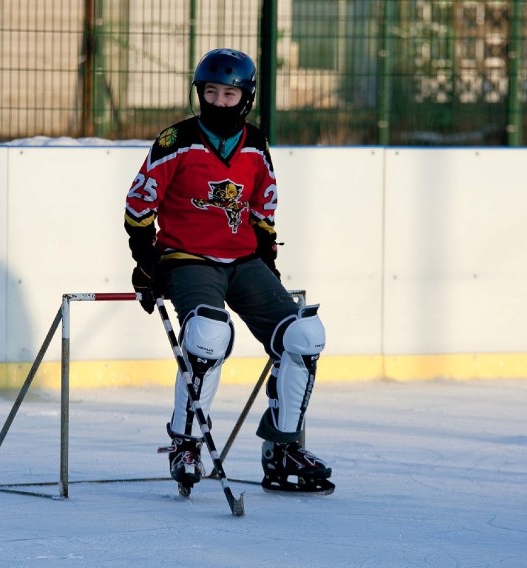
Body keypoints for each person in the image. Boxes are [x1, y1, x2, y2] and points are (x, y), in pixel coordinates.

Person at [123, 48, 333, 496]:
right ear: (200, 93)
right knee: (207, 335)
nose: (219, 102)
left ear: (246, 98)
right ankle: (186, 443)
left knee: (304, 336)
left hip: (243, 261)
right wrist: (145, 261)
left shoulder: (255, 143)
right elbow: (140, 204)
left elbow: (264, 205)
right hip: (188, 259)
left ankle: (282, 449)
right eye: (211, 92)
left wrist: (268, 259)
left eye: (229, 93)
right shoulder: (176, 140)